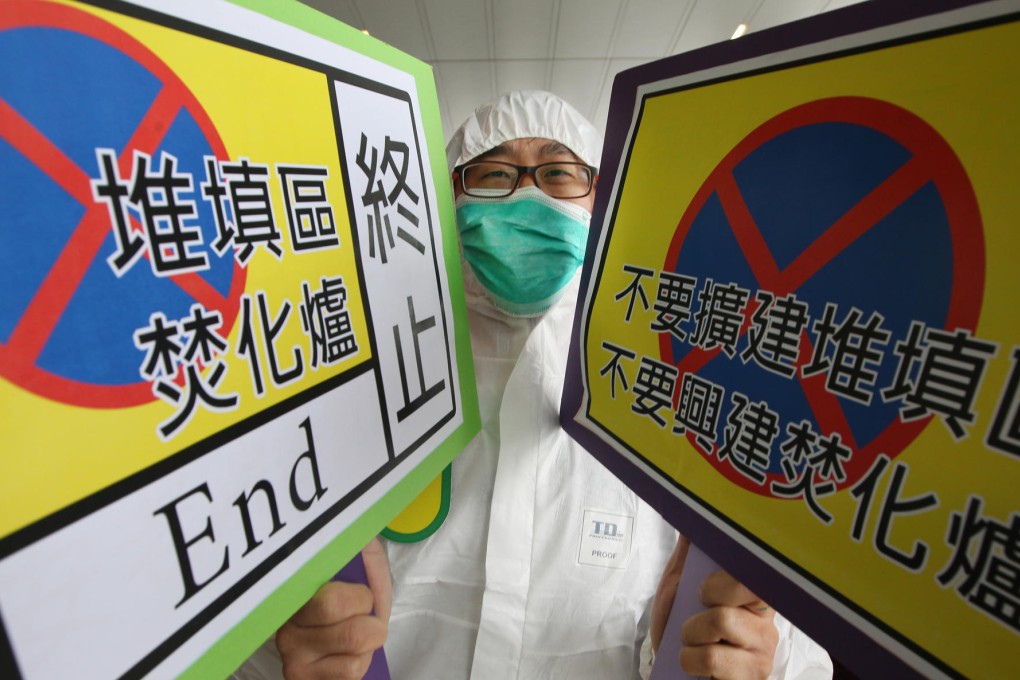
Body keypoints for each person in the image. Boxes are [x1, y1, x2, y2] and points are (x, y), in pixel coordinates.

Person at [234, 90, 832, 680]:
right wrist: (291, 652)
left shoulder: (674, 393)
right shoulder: (368, 385)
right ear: (446, 199)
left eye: (559, 172)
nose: (526, 194)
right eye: (493, 174)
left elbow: (787, 648)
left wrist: (734, 657)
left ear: (601, 198)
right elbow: (254, 616)